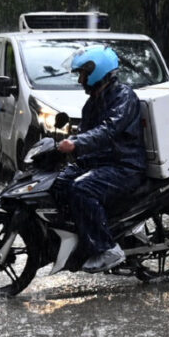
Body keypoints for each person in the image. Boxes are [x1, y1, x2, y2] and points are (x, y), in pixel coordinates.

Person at [55, 45, 146, 273]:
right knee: (59, 183)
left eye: (83, 75)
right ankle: (83, 240)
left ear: (96, 71)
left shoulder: (124, 97)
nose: (80, 81)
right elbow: (86, 131)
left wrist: (77, 143)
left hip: (125, 166)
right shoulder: (94, 101)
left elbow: (108, 130)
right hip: (103, 161)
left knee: (82, 189)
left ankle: (107, 248)